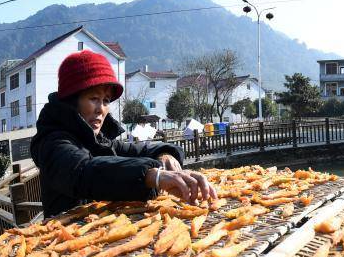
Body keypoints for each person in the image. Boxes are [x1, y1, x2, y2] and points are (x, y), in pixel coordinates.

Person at [31, 50, 217, 217]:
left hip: (100, 232)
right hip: (63, 240)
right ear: (72, 101)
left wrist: (165, 154)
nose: (101, 109)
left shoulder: (99, 140)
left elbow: (135, 150)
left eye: (106, 100)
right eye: (94, 98)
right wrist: (153, 176)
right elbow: (84, 171)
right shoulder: (53, 143)